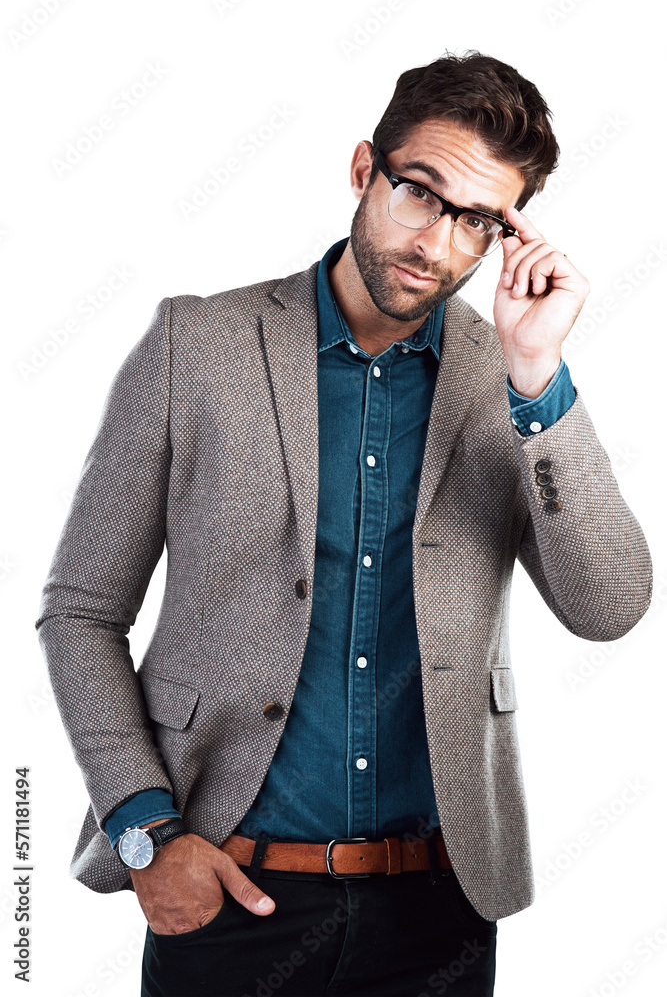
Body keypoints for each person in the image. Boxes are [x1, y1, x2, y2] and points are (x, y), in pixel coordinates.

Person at [35, 50, 652, 997]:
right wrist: (146, 836)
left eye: (477, 221)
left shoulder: (510, 381)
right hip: (229, 893)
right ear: (365, 169)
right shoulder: (194, 346)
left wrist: (537, 380)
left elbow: (608, 607)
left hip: (438, 911)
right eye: (419, 193)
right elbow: (79, 610)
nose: (437, 243)